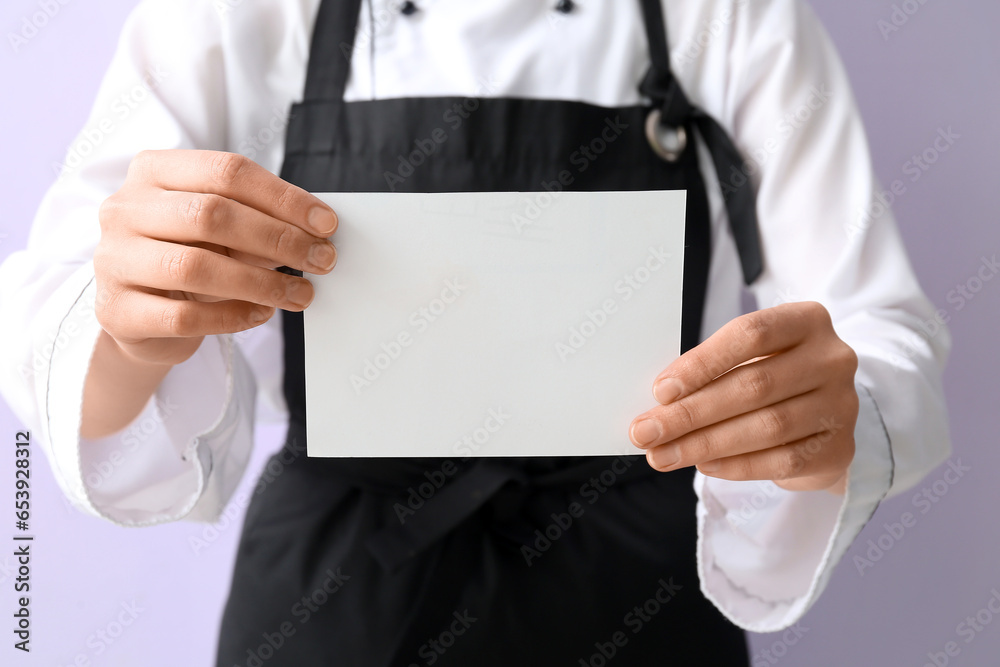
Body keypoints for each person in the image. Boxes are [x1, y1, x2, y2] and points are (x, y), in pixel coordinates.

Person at [0, 0, 952, 665]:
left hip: (639, 582)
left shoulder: (729, 11)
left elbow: (881, 329)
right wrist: (127, 329)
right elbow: (48, 303)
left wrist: (833, 412)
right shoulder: (233, 11)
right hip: (338, 592)